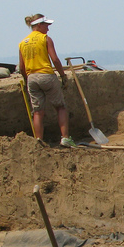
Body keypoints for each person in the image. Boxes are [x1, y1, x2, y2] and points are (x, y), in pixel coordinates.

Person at [18, 14, 74, 147]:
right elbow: (55, 59)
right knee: (60, 107)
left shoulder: (22, 43)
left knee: (37, 111)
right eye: (46, 25)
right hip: (46, 75)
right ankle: (65, 138)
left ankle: (39, 141)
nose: (48, 29)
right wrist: (63, 75)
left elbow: (22, 67)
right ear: (38, 25)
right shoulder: (45, 39)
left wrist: (27, 80)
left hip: (32, 77)